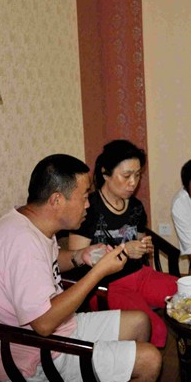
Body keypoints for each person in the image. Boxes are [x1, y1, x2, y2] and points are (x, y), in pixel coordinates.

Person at [0, 154, 162, 382]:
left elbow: (47, 263)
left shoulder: (29, 221)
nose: (88, 205)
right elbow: (43, 324)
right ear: (57, 200)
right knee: (149, 360)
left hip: (57, 332)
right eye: (84, 197)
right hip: (32, 360)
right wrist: (98, 272)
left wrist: (80, 256)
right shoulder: (22, 244)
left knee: (140, 321)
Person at [69, 140, 177, 349]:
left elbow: (140, 242)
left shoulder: (135, 207)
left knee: (188, 293)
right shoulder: (88, 207)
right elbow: (76, 261)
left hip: (138, 275)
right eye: (126, 176)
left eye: (137, 175)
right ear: (105, 173)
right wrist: (125, 250)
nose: (133, 182)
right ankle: (144, 362)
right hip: (105, 285)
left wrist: (143, 246)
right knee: (156, 328)